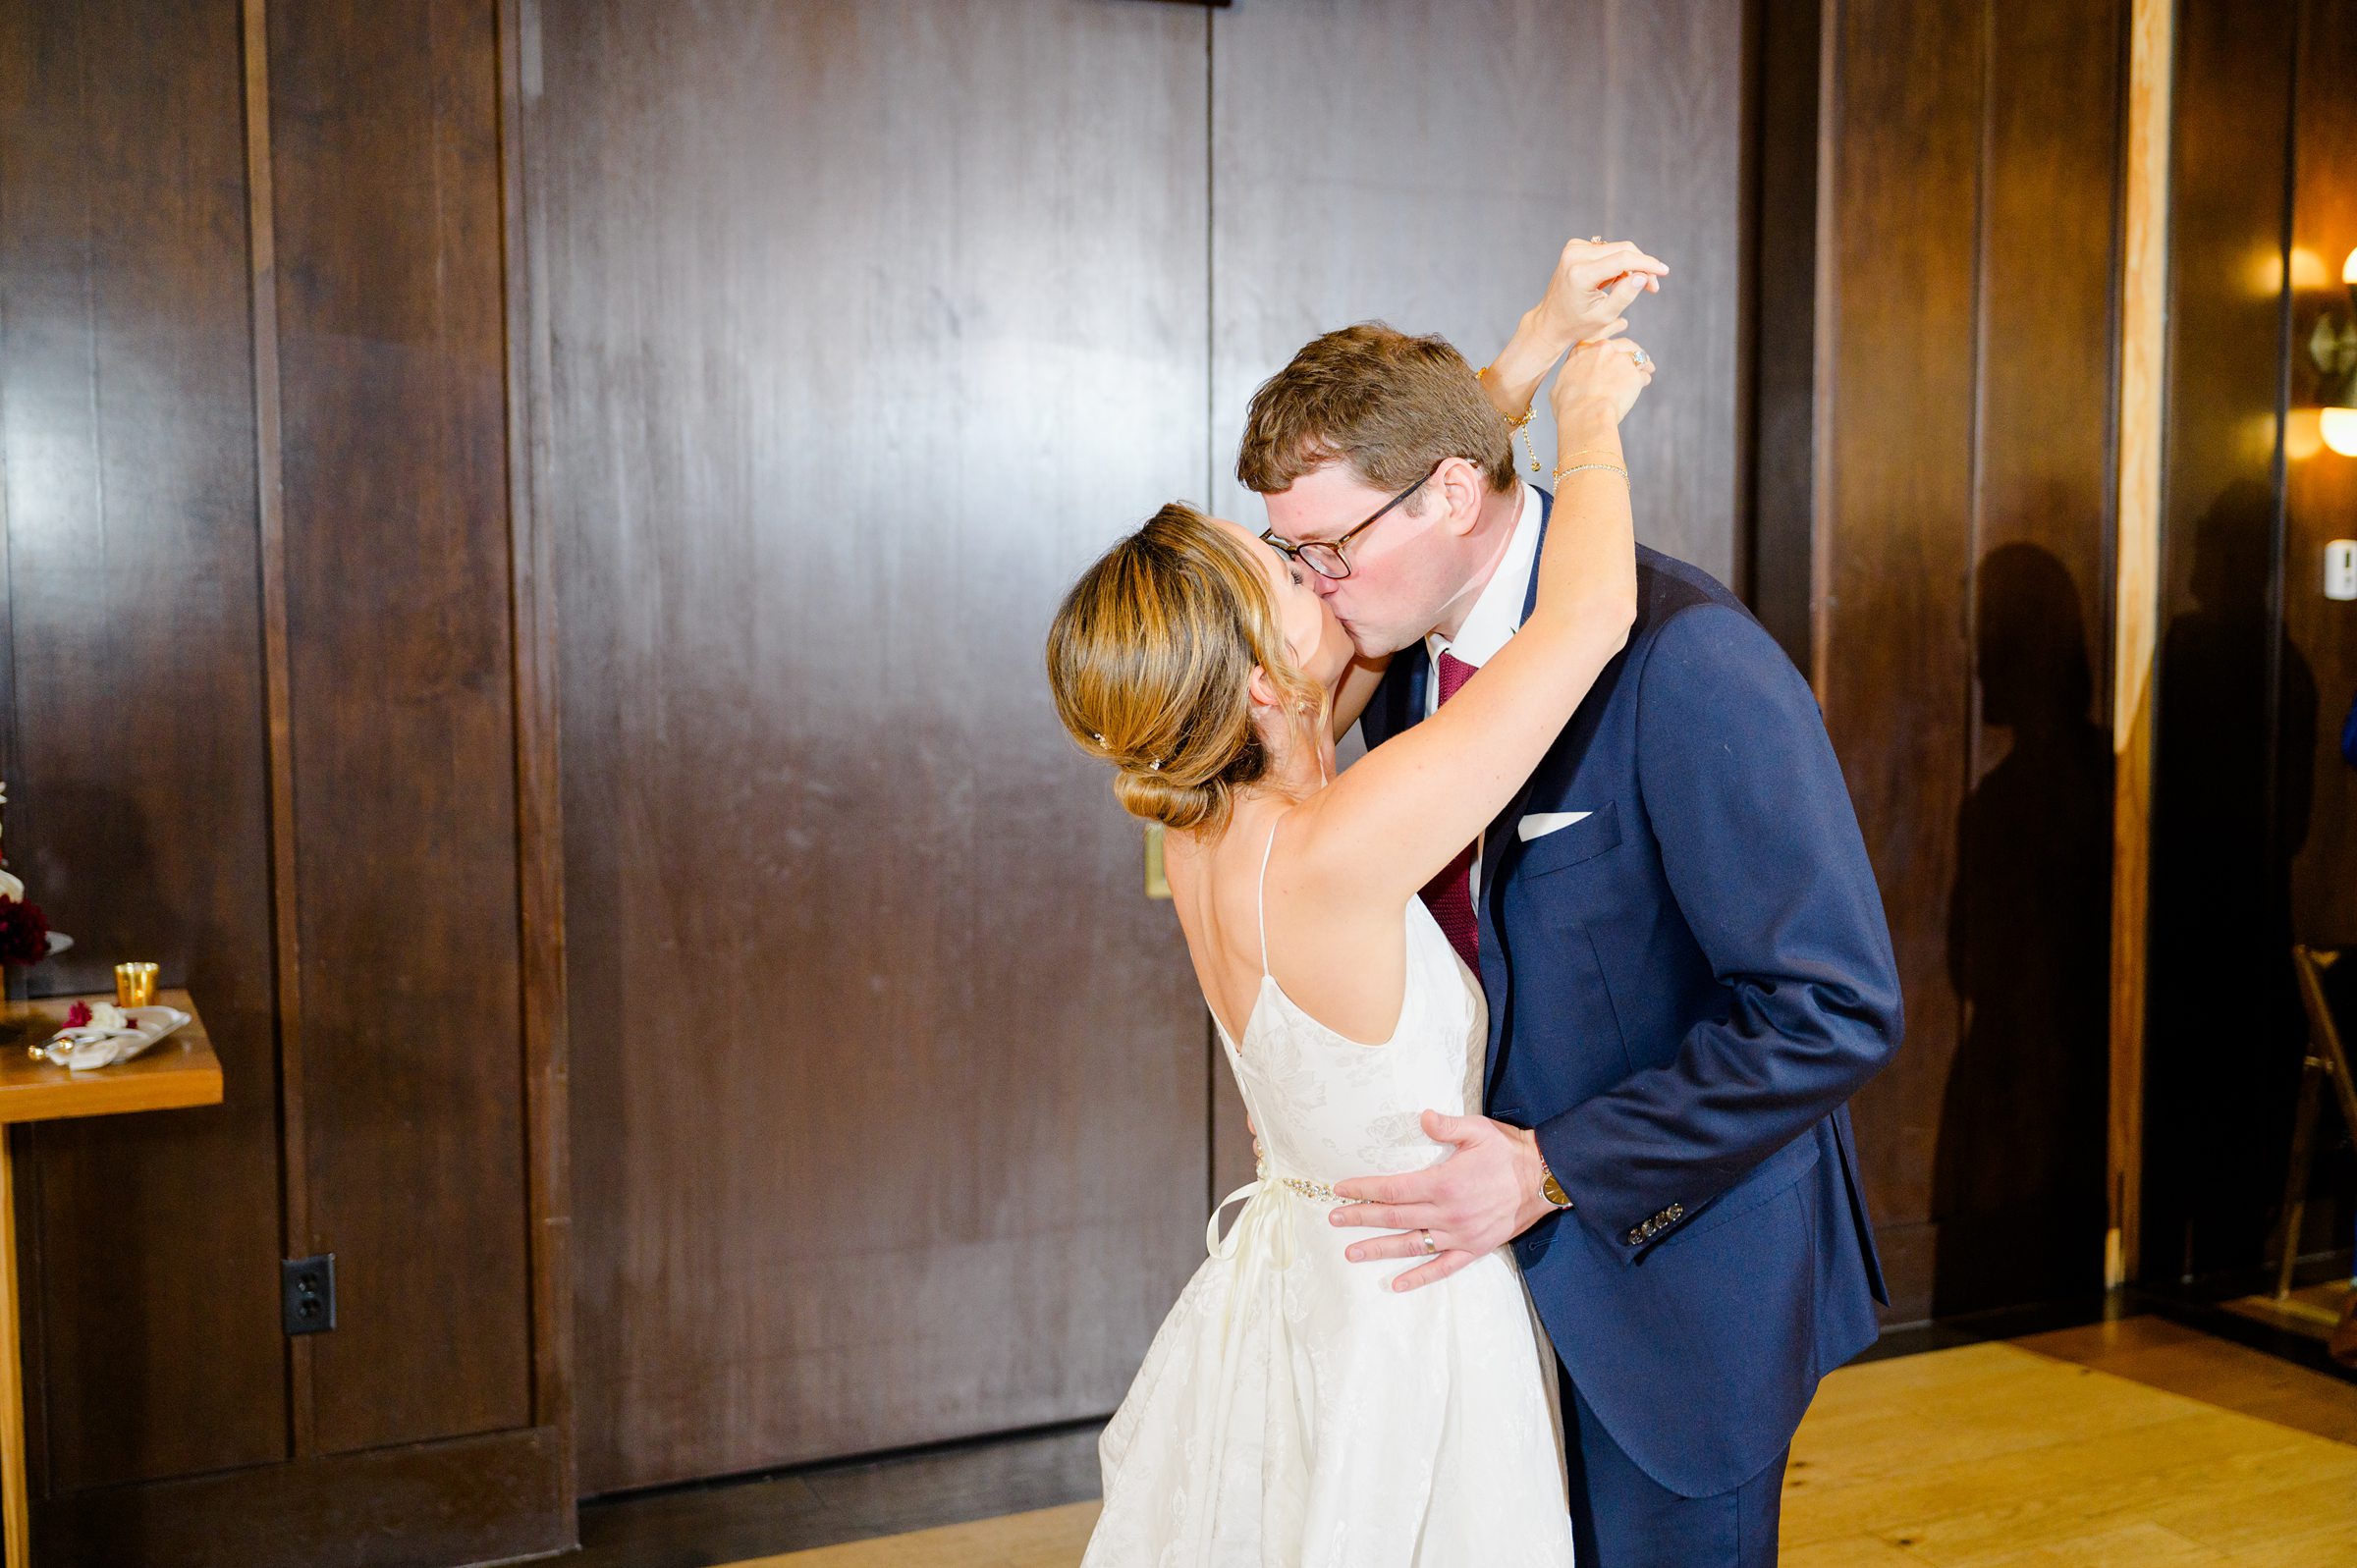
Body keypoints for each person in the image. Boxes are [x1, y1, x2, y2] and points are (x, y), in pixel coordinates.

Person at [1240, 313, 1902, 1563]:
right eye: (1291, 550)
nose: (1312, 585)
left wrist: (1553, 1168)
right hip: (1460, 1293)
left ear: (1448, 492)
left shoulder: (1686, 655)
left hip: (1670, 1269)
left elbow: (1836, 1008)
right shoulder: (1402, 659)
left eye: (1328, 547)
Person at [1047, 237, 1664, 1566]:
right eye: (1284, 567)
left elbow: (1390, 504)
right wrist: (1588, 418)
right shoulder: (1336, 842)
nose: (1315, 564)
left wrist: (1529, 343)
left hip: (1302, 1284)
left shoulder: (1223, 799)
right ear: (1265, 676)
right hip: (1408, 1309)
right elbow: (1590, 611)